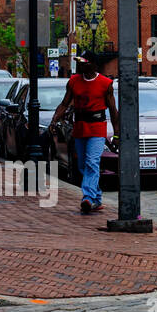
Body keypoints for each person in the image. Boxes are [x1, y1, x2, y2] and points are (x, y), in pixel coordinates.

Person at [49, 50, 118, 214]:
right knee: (82, 166)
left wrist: (116, 135)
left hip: (97, 127)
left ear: (93, 64)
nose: (80, 64)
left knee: (92, 162)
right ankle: (96, 197)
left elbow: (113, 111)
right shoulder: (73, 81)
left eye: (84, 61)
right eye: (79, 61)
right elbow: (64, 103)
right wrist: (54, 120)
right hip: (79, 127)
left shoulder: (105, 83)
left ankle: (87, 197)